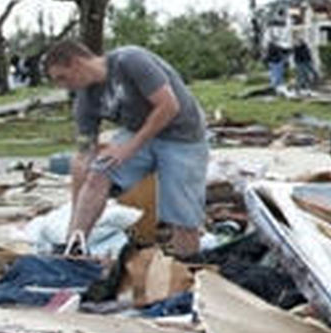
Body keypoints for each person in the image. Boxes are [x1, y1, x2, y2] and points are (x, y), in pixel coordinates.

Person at [44, 40, 209, 257]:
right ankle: (74, 245)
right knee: (99, 172)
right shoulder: (85, 101)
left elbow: (169, 106)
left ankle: (187, 270)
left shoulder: (130, 61)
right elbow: (84, 156)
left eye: (62, 78)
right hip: (140, 132)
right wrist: (75, 219)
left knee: (182, 216)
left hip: (182, 135)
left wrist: (128, 148)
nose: (63, 86)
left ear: (76, 63)